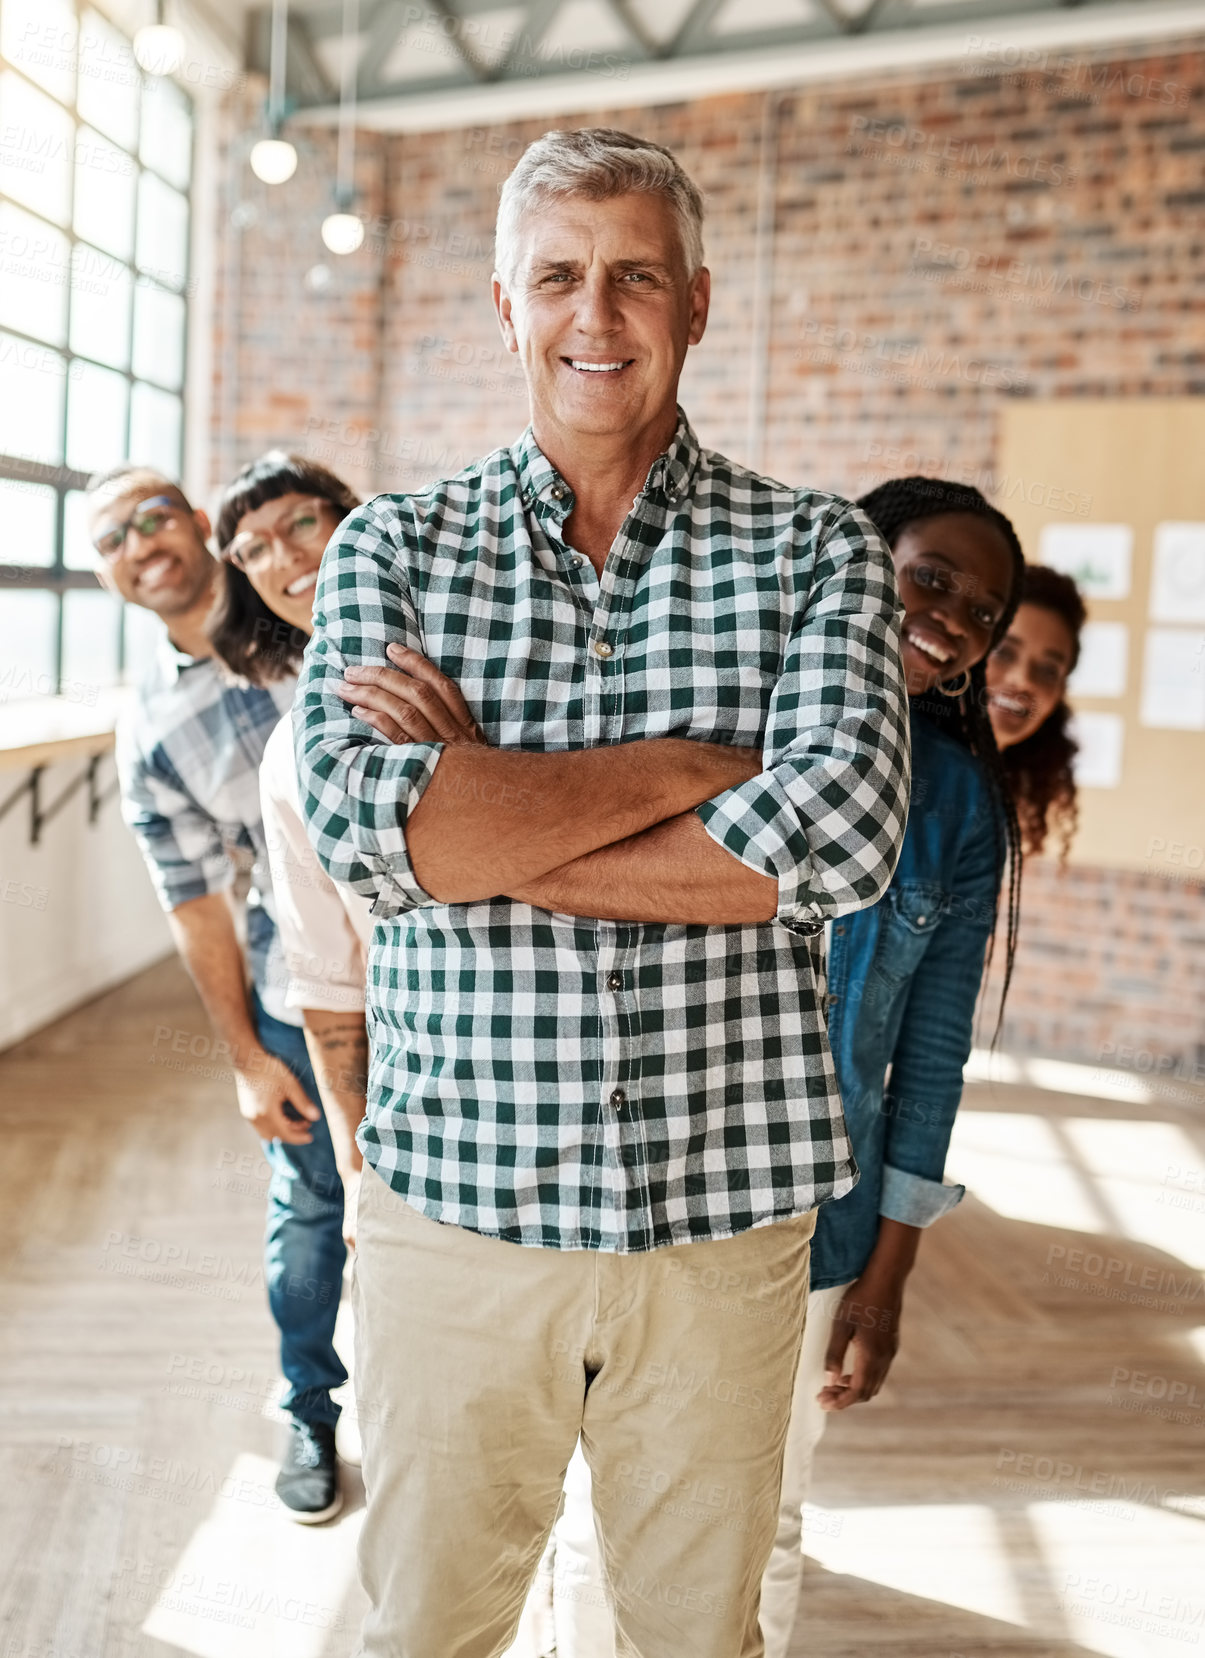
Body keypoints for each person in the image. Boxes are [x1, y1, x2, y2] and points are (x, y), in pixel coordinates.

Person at [294, 126, 912, 1658]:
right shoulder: (396, 549)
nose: (597, 315)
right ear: (504, 307)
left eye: (635, 276)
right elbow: (371, 832)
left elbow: (838, 836)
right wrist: (700, 764)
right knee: (422, 1628)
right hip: (459, 1206)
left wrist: (491, 803)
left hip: (722, 1216)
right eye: (558, 277)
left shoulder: (815, 549)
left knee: (694, 1639)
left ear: (695, 305)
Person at [758, 477, 1026, 1658]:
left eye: (982, 612)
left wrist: (887, 1273)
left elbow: (928, 1054)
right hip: (642, 1200)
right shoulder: (732, 710)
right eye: (929, 578)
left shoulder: (958, 800)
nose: (955, 618)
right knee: (594, 1503)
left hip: (819, 1216)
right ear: (854, 562)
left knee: (763, 1518)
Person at [87, 465, 348, 1524]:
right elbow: (194, 904)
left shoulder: (313, 610)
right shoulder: (148, 727)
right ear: (104, 574)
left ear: (201, 525)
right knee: (311, 1213)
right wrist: (245, 1055)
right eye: (111, 537)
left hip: (440, 968)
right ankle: (310, 1411)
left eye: (154, 516)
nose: (139, 542)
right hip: (297, 988)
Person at [209, 452, 372, 1246]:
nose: (285, 557)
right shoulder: (293, 749)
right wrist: (351, 1148)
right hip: (423, 1066)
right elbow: (326, 964)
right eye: (253, 549)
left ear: (350, 514)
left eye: (301, 522)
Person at [985, 563, 1085, 859]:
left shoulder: (991, 792)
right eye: (1004, 652)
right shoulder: (908, 769)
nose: (1024, 680)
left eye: (1048, 670)